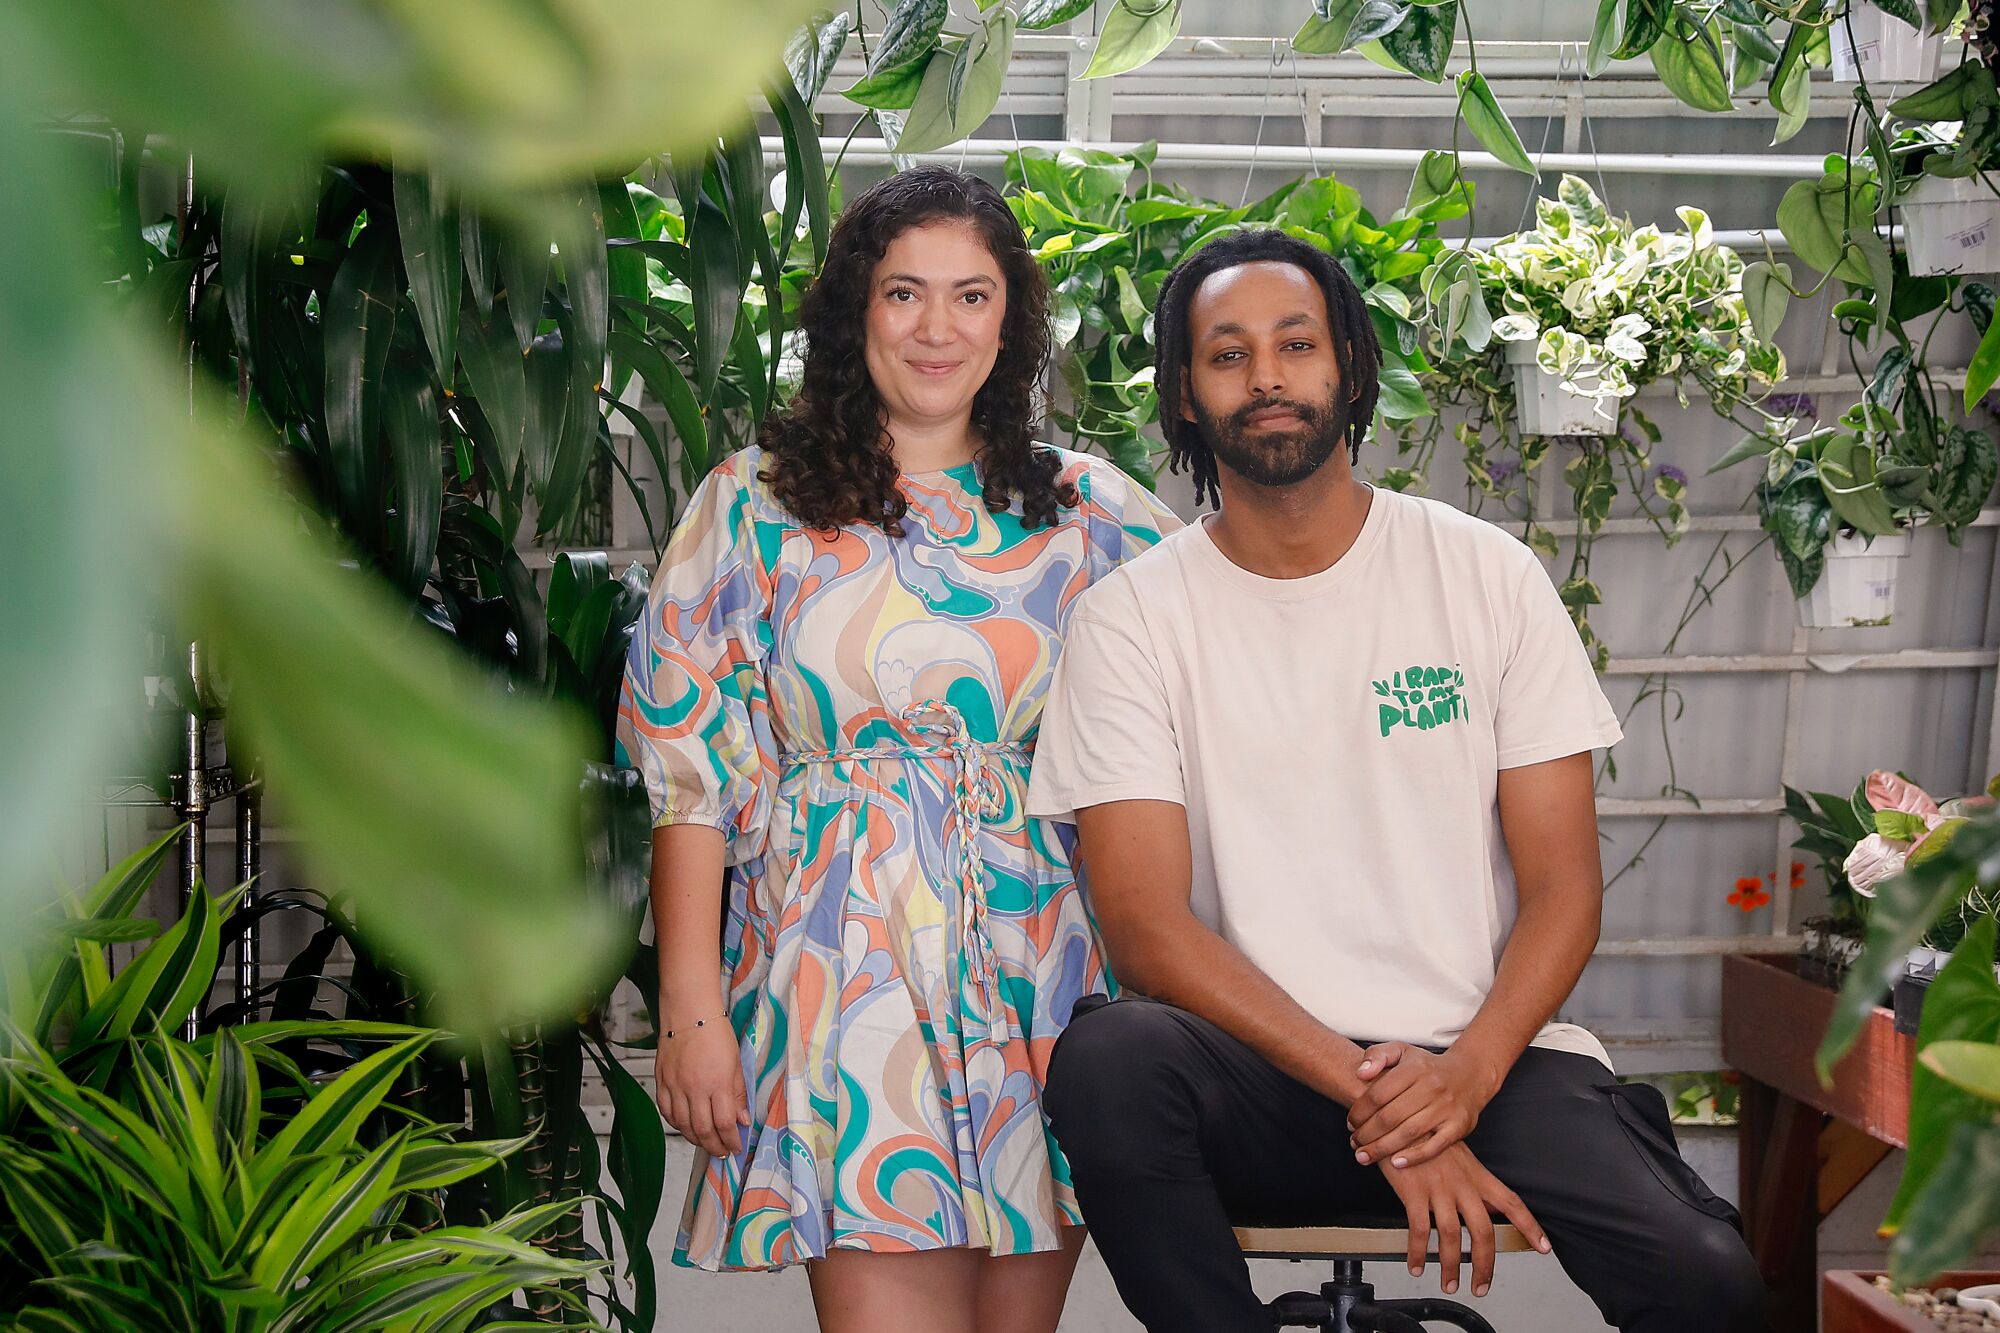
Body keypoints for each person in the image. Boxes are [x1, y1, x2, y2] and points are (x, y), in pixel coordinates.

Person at [1025, 227, 1768, 1333]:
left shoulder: (1484, 576)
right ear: (1184, 396)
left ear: (1349, 370)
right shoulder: (1131, 619)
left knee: (1709, 1275)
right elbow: (1142, 928)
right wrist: (1380, 1101)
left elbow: (1563, 889)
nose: (1266, 376)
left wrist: (1457, 1084)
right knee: (1108, 1062)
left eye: (1296, 344)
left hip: (1486, 1067)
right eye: (1227, 355)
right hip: (1261, 1084)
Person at [614, 166, 1180, 1333]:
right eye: (903, 293)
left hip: (1047, 973)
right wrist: (689, 1006)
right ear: (852, 314)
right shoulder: (752, 505)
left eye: (971, 297)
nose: (937, 329)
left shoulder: (1092, 511)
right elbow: (688, 770)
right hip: (843, 965)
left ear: (1010, 321)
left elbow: (1223, 678)